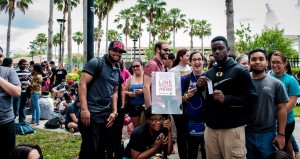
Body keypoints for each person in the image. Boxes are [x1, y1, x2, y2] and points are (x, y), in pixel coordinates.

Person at [197, 36, 258, 159]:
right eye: (214, 49)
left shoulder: (240, 71)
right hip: (211, 128)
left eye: (220, 48)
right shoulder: (209, 73)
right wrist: (200, 88)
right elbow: (207, 99)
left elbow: (252, 98)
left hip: (232, 128)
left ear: (228, 49)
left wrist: (227, 99)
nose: (217, 52)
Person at [78, 40, 125, 159]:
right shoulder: (96, 62)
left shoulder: (118, 69)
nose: (117, 54)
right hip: (91, 114)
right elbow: (82, 84)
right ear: (109, 50)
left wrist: (114, 112)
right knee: (89, 150)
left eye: (120, 52)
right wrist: (84, 110)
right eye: (115, 50)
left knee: (102, 149)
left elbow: (115, 91)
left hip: (106, 115)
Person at [246, 48, 289, 159]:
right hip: (246, 134)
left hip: (268, 135)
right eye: (253, 59)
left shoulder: (276, 84)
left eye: (261, 59)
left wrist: (281, 134)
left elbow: (282, 109)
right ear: (249, 62)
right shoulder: (243, 82)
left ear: (267, 62)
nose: (257, 62)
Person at [270, 51, 300, 157]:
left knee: (283, 147)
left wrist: (273, 115)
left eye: (278, 62)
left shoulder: (291, 81)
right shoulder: (268, 77)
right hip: (270, 121)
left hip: (287, 121)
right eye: (273, 62)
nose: (275, 65)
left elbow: (291, 104)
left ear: (285, 63)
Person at [181, 51, 206, 159]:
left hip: (208, 122)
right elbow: (178, 99)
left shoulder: (209, 77)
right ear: (190, 62)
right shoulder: (185, 79)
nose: (197, 62)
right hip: (191, 121)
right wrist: (187, 96)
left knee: (207, 152)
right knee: (192, 152)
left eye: (199, 59)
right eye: (194, 59)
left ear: (203, 61)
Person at [169, 48, 192, 159]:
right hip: (177, 104)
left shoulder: (190, 68)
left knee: (188, 131)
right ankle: (183, 155)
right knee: (181, 132)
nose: (189, 58)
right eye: (187, 56)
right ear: (180, 57)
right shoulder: (172, 71)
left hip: (189, 103)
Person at [0, 46, 21, 159]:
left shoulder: (8, 71)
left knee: (8, 154)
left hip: (6, 122)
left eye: (0, 56)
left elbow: (17, 92)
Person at [143, 41, 170, 109]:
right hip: (153, 106)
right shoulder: (152, 64)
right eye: (165, 50)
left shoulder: (161, 65)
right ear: (158, 49)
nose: (168, 52)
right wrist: (149, 108)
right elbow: (146, 87)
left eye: (169, 50)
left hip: (160, 104)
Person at [124, 59, 144, 128]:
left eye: (137, 66)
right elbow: (124, 91)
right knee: (137, 129)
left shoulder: (146, 77)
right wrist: (129, 93)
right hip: (133, 108)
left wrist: (143, 91)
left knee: (145, 129)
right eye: (133, 66)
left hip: (144, 108)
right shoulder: (130, 78)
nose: (135, 68)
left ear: (142, 66)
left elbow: (152, 90)